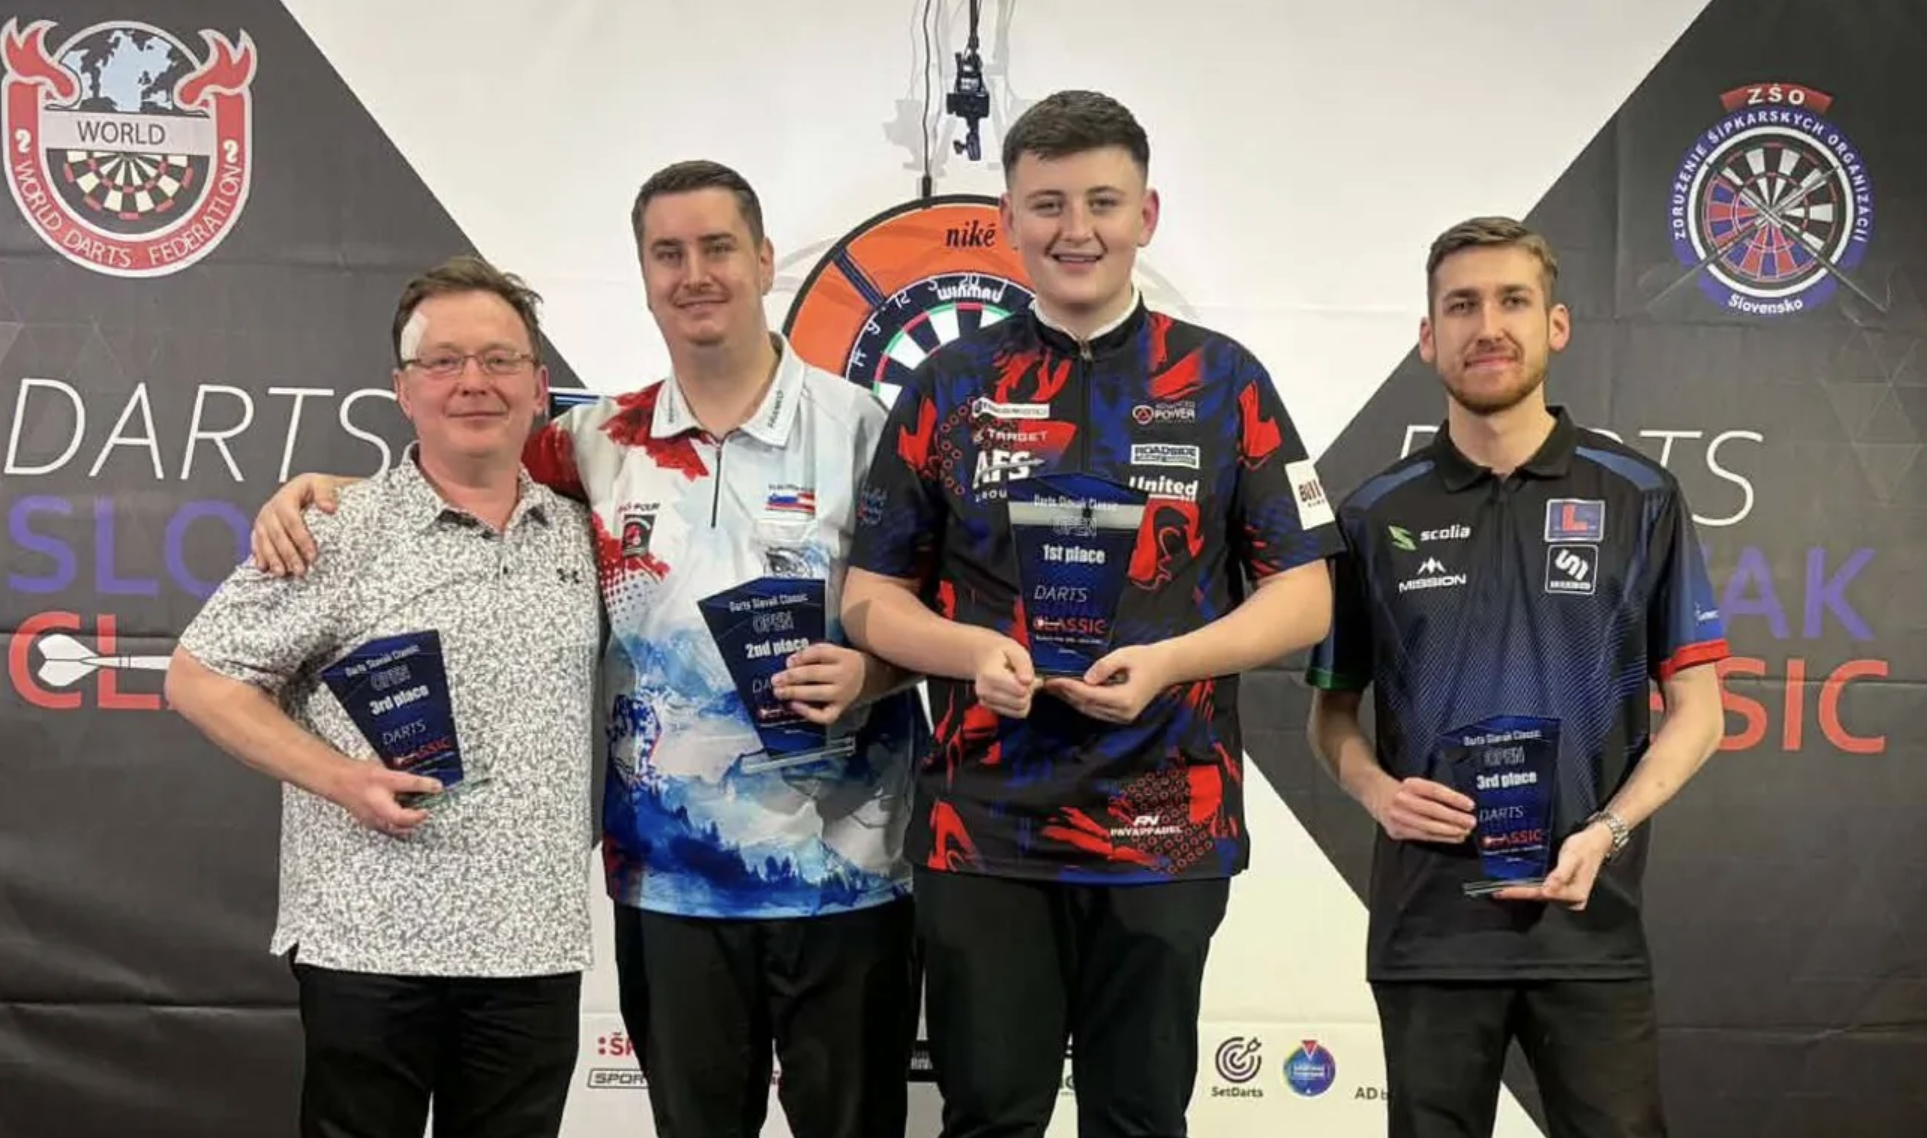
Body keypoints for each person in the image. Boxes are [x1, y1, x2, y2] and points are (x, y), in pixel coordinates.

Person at [248, 160, 925, 1138]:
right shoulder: (595, 439)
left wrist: (873, 669)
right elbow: (458, 470)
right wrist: (328, 490)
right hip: (669, 881)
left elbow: (945, 607)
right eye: (668, 254)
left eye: (717, 248)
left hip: (849, 869)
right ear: (644, 275)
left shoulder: (869, 430)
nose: (695, 274)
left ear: (764, 260)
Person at [840, 89, 1344, 1138]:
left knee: (1140, 1118)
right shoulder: (948, 384)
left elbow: (1304, 595)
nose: (1077, 230)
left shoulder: (1223, 381)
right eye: (1048, 204)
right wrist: (969, 649)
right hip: (982, 824)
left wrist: (1169, 662)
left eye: (1103, 202)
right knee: (989, 1118)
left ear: (1145, 215)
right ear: (1009, 221)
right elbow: (870, 597)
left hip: (1165, 825)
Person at [1303, 216, 1731, 1138]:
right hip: (1429, 931)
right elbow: (1330, 717)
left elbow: (1699, 713)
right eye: (1461, 306)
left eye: (1512, 301)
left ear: (1555, 325)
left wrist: (1607, 831)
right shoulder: (1372, 512)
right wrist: (1377, 792)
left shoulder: (1638, 495)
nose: (1487, 326)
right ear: (1428, 337)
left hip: (1588, 926)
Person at [165, 255, 602, 1138]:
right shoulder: (336, 528)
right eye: (442, 362)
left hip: (534, 946)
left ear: (539, 387)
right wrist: (342, 780)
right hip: (371, 942)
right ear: (403, 390)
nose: (472, 381)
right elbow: (198, 677)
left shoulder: (585, 531)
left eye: (499, 359)